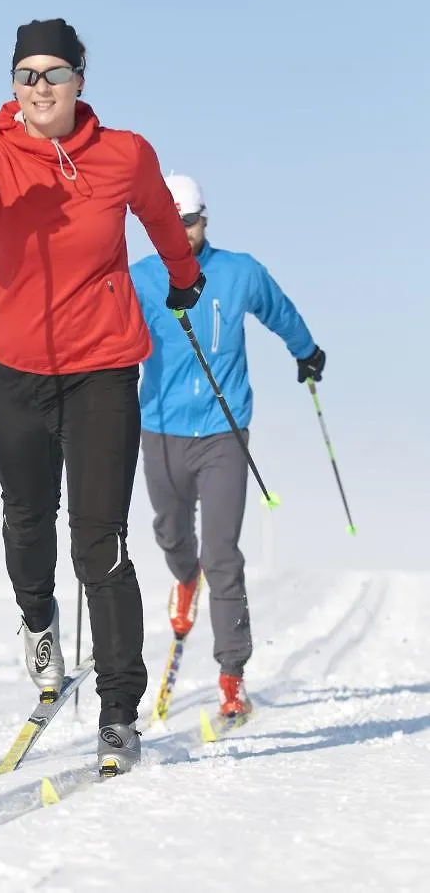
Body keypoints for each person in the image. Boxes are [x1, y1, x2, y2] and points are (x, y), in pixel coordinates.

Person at [0, 20, 205, 773]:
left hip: (102, 370)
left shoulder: (125, 153)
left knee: (99, 542)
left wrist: (184, 279)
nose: (40, 86)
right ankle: (38, 621)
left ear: (82, 78)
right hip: (16, 369)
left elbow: (158, 221)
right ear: (13, 85)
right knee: (25, 520)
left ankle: (119, 711)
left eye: (54, 72)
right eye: (26, 74)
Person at [130, 174, 325, 718]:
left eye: (189, 222)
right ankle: (182, 579)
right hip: (161, 427)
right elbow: (110, 334)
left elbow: (278, 310)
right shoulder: (140, 279)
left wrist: (305, 350)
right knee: (171, 534)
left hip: (224, 431)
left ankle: (232, 677)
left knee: (223, 554)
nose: (182, 233)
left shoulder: (239, 271)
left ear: (203, 220)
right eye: (170, 224)